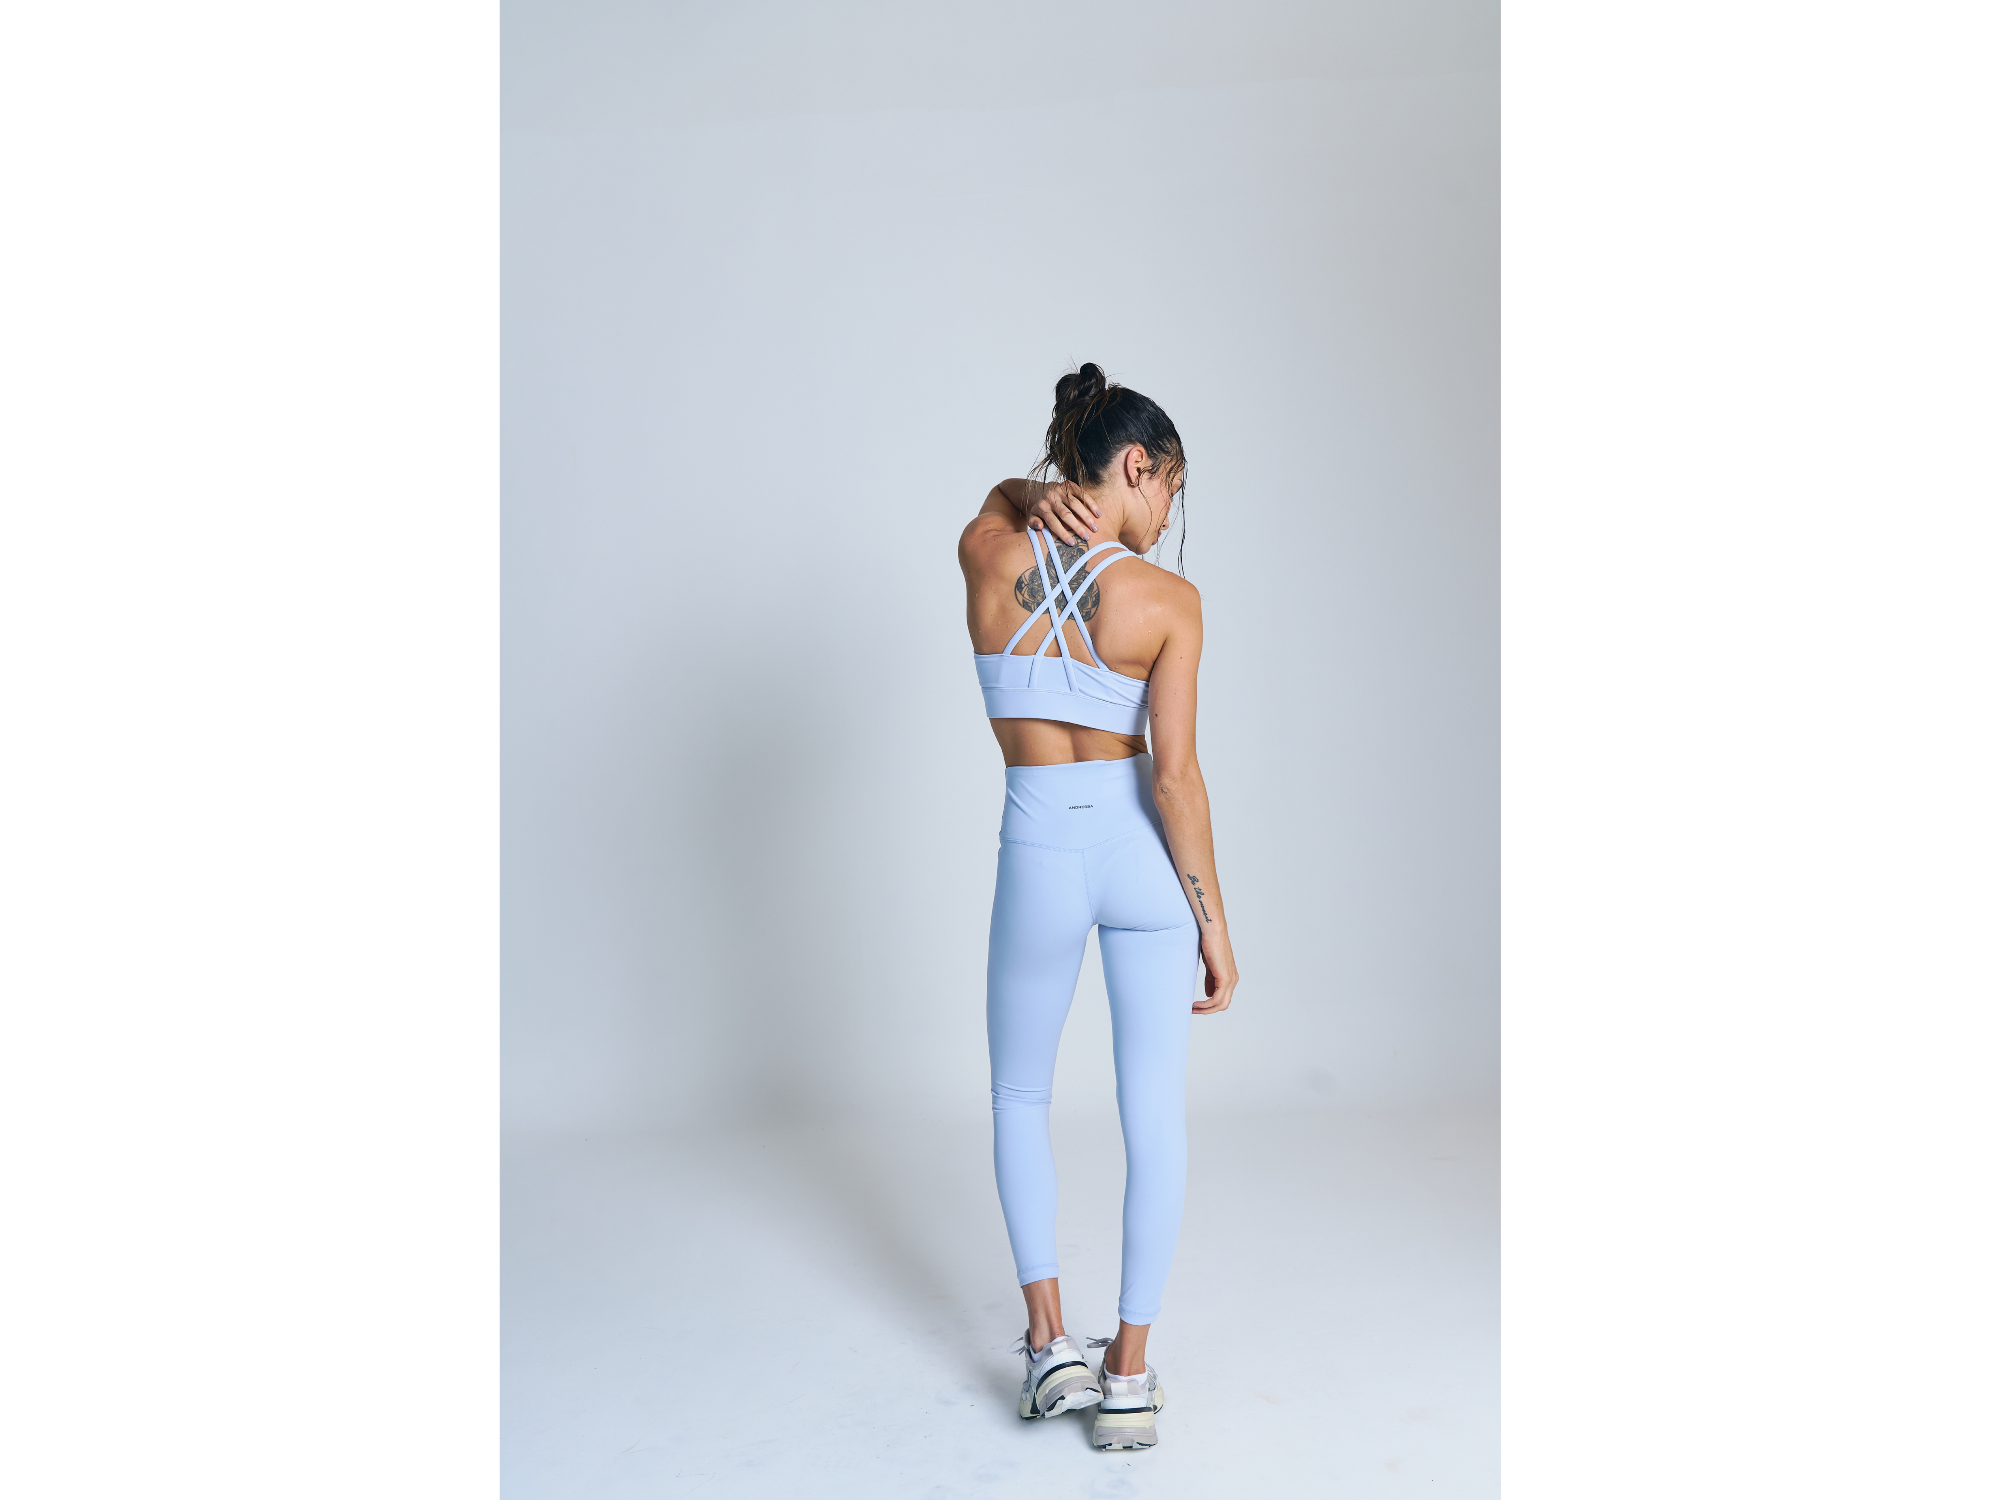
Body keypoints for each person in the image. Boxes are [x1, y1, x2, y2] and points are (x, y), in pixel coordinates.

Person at [957, 363, 1239, 1452]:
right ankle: (1127, 1374)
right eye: (1170, 488)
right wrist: (1213, 924)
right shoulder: (1167, 602)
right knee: (1151, 1111)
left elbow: (994, 501)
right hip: (1137, 861)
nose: (1167, 516)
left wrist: (1034, 498)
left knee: (1018, 1095)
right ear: (1135, 465)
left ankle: (1048, 1350)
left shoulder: (989, 554)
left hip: (1037, 845)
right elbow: (1176, 780)